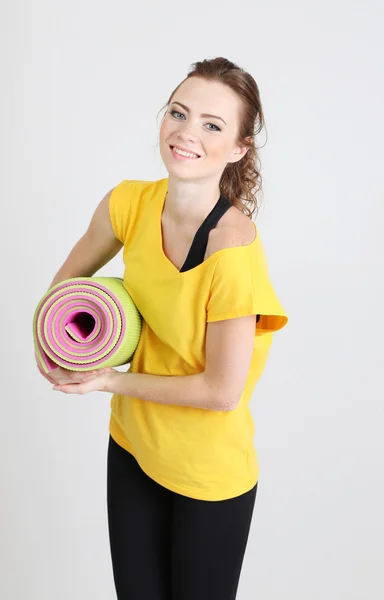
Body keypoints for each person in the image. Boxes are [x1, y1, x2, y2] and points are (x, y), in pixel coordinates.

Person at [36, 57, 288, 599]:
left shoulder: (233, 251)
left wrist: (107, 381)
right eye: (179, 112)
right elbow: (61, 292)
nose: (186, 132)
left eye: (212, 125)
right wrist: (49, 340)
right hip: (132, 447)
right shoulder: (129, 202)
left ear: (240, 148)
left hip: (207, 473)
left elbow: (223, 392)